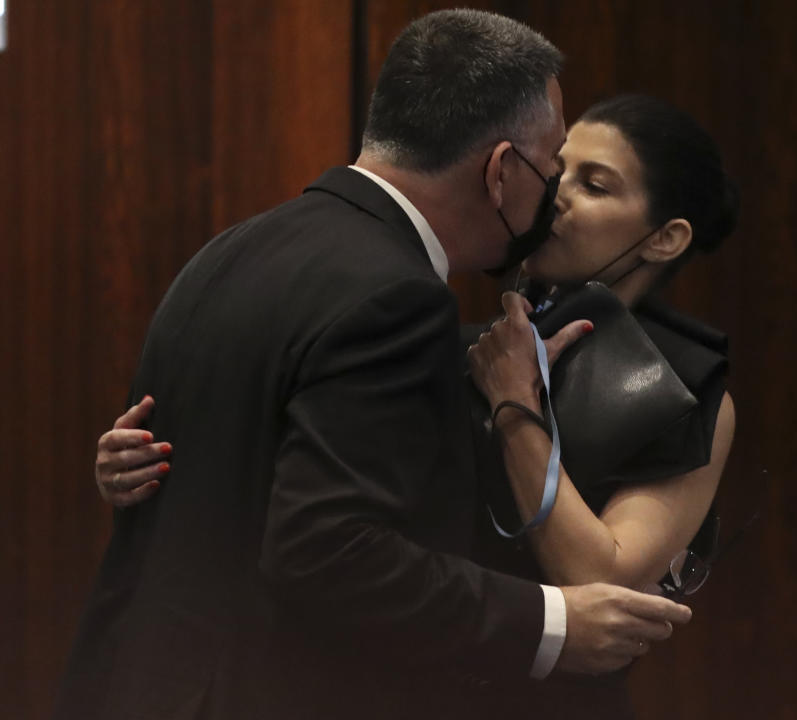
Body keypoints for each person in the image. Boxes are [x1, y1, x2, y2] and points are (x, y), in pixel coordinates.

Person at [56, 11, 692, 720]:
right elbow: (328, 553)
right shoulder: (398, 296)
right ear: (502, 171)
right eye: (550, 170)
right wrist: (552, 626)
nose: (555, 198)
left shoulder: (231, 249)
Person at [465, 92, 738, 717]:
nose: (557, 193)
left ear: (665, 238)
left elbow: (600, 581)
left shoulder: (689, 390)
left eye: (594, 185)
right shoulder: (485, 343)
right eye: (558, 170)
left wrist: (514, 407)